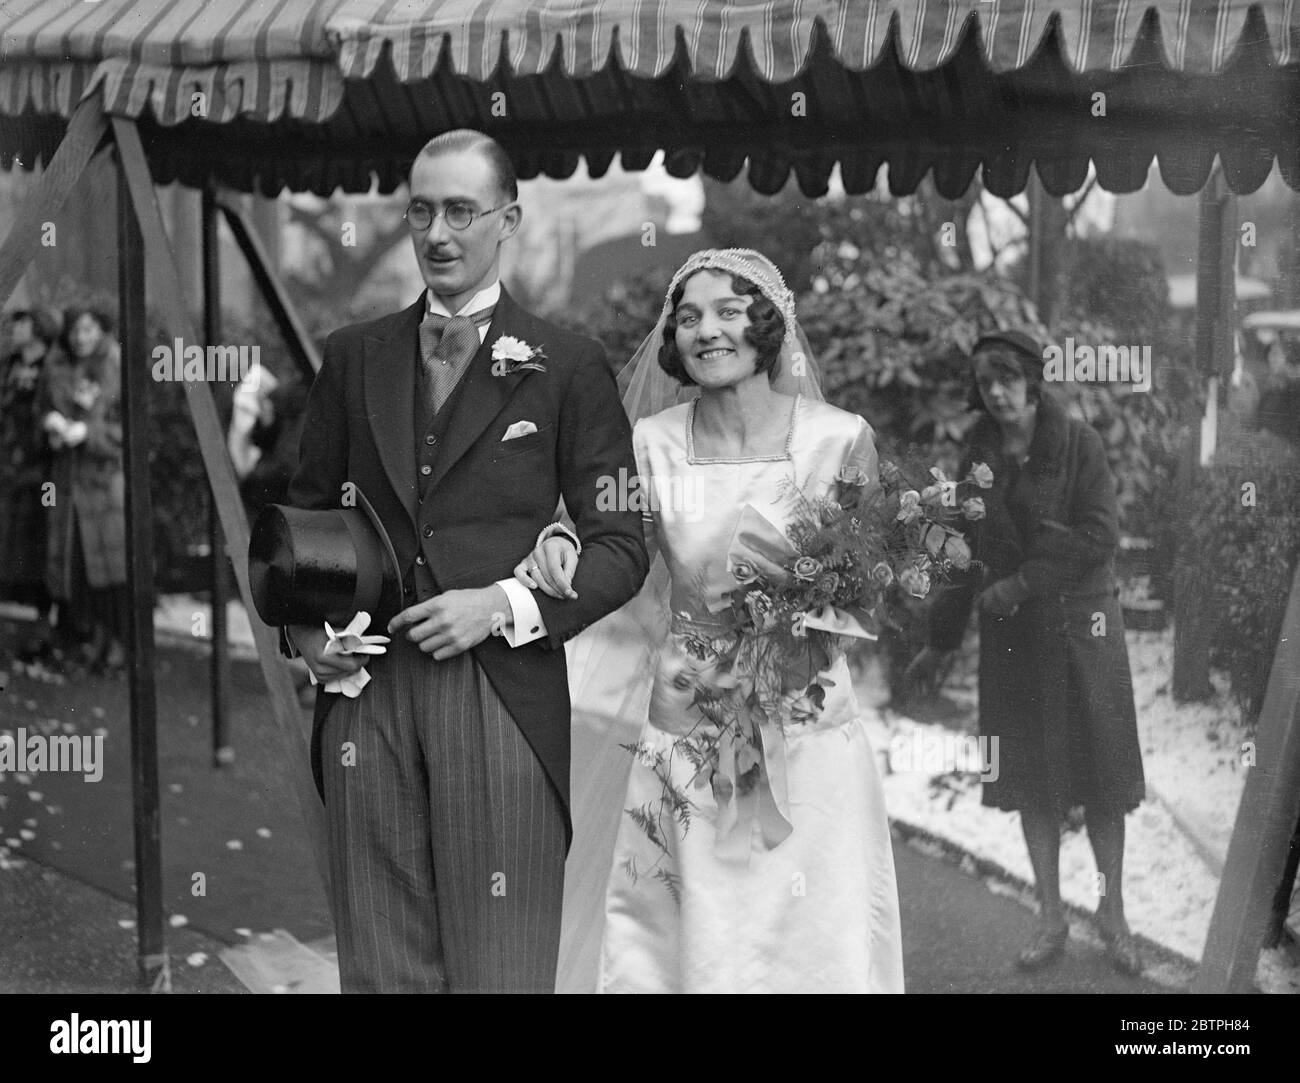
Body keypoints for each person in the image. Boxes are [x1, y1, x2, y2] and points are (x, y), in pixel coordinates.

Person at [280, 129, 648, 993]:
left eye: (460, 210)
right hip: (367, 697)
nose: (437, 233)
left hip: (500, 697)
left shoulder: (568, 365)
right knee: (379, 961)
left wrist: (502, 606)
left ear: (507, 219)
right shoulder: (354, 354)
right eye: (421, 209)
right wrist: (305, 635)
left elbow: (623, 544)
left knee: (501, 968)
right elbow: (300, 526)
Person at [516, 249, 904, 993]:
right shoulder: (651, 443)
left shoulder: (839, 438)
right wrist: (560, 540)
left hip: (807, 733)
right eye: (688, 316)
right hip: (687, 731)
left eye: (729, 311)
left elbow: (873, 586)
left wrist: (799, 629)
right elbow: (602, 531)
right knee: (691, 935)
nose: (707, 330)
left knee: (813, 934)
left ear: (768, 324)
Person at [906, 329, 1146, 976]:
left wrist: (1020, 582)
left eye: (1009, 378)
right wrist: (941, 639)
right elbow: (960, 550)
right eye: (988, 383)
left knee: (1101, 782)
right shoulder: (978, 455)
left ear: (1033, 380)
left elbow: (1099, 535)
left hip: (1080, 632)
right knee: (1031, 782)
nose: (1000, 391)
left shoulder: (1078, 444)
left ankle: (1113, 912)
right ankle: (1050, 915)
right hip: (1013, 642)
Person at [41, 306, 128, 672]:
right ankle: (88, 641)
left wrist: (89, 434)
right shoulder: (55, 367)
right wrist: (50, 425)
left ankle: (117, 644)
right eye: (75, 330)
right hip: (66, 485)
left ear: (100, 330)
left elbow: (130, 431)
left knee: (110, 571)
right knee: (75, 568)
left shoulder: (116, 366)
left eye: (88, 329)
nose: (81, 338)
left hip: (102, 483)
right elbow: (39, 413)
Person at [0, 307, 61, 660]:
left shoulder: (50, 367)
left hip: (42, 469)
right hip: (10, 465)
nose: (16, 329)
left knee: (40, 541)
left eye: (23, 324)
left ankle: (43, 623)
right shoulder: (9, 365)